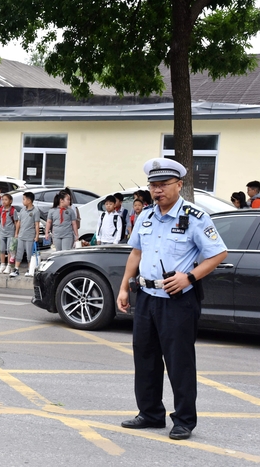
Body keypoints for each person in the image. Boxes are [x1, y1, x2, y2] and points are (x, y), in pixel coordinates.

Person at [117, 158, 228, 441]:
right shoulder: (146, 216)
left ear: (179, 185)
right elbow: (136, 254)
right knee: (145, 358)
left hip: (178, 300)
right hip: (146, 297)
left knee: (179, 362)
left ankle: (184, 420)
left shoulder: (195, 217)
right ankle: (151, 413)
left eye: (164, 184)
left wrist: (189, 277)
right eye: (154, 185)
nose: (158, 190)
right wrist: (123, 289)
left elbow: (218, 254)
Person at [11, 192, 40, 277]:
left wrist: (37, 235)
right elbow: (19, 222)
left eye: (24, 199)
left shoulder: (35, 211)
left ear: (29, 200)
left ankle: (29, 269)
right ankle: (16, 269)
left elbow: (37, 224)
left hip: (30, 236)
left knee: (29, 253)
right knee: (19, 252)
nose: (23, 201)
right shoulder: (22, 210)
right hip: (21, 235)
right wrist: (16, 232)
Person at [0, 193, 17, 274]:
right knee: (1, 249)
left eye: (6, 200)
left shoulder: (13, 211)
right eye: (2, 199)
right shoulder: (0, 210)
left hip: (10, 232)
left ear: (10, 201)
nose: (4, 201)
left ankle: (9, 265)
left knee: (10, 250)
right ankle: (2, 264)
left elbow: (16, 222)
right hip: (1, 232)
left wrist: (16, 233)